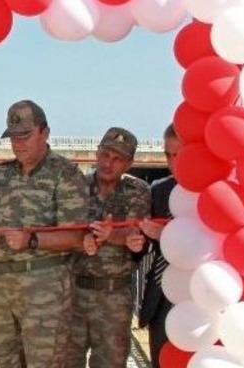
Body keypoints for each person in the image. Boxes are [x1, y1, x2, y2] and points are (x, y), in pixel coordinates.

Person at [0, 100, 90, 368]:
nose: (18, 143)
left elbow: (77, 237)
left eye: (25, 135)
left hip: (45, 288)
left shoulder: (66, 173)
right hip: (2, 286)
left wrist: (32, 240)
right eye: (13, 137)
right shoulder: (1, 174)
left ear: (45, 132)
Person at [68, 127, 151, 367]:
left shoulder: (139, 192)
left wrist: (114, 235)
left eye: (117, 159)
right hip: (73, 294)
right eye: (105, 154)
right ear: (97, 153)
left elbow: (140, 235)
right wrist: (81, 239)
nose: (108, 163)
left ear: (129, 163)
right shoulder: (75, 188)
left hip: (115, 298)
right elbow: (60, 228)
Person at [138, 124, 182, 367]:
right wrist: (137, 242)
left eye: (179, 154)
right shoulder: (159, 191)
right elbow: (144, 247)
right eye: (168, 155)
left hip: (200, 297)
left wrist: (167, 235)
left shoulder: (213, 191)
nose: (173, 162)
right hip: (161, 299)